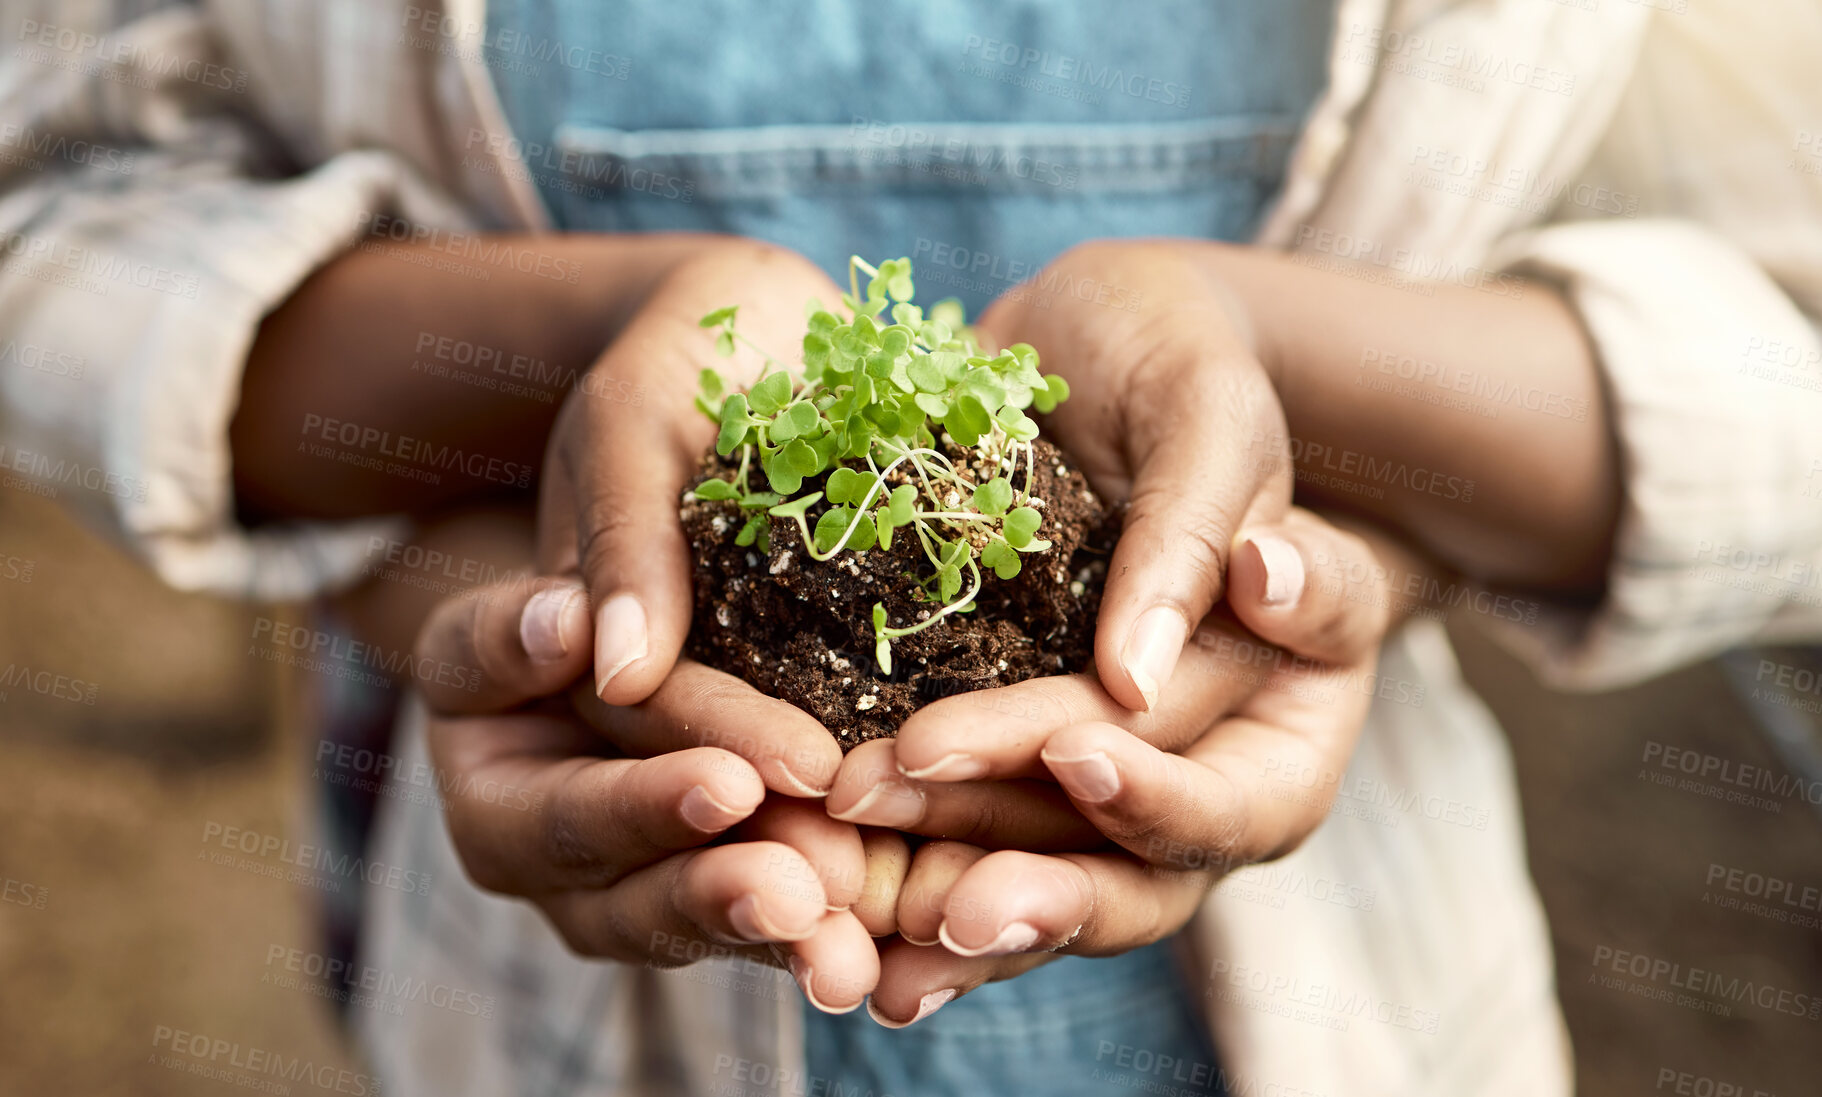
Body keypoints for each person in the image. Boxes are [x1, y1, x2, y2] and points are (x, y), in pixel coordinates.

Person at [3, 2, 1820, 1095]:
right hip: (539, 1014)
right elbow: (54, 224)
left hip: (1366, 994)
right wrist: (530, 512)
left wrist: (1320, 527)